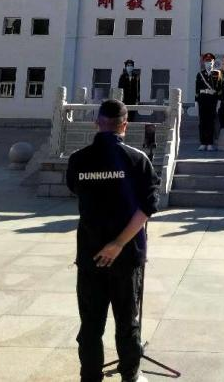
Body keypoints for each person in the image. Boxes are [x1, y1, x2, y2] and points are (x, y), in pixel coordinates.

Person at [66, 99, 159, 382]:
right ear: (125, 125)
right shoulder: (137, 159)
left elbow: (75, 189)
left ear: (97, 123)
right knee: (127, 323)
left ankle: (90, 376)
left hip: (90, 254)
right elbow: (147, 207)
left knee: (91, 325)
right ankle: (130, 375)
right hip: (126, 255)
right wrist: (118, 243)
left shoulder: (79, 159)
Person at [194, 53, 223, 151]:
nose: (208, 63)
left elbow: (220, 89)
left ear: (213, 62)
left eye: (210, 61)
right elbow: (197, 89)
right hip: (202, 99)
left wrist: (219, 101)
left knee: (211, 122)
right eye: (207, 61)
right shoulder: (200, 74)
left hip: (212, 100)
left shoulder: (217, 74)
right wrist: (196, 102)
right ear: (204, 62)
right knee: (202, 122)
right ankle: (203, 142)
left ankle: (210, 143)